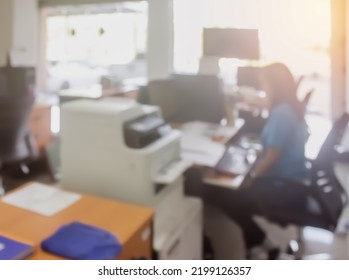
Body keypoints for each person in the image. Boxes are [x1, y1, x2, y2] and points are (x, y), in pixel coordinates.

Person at [203, 63, 309, 259]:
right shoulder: (289, 107)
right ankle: (258, 243)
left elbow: (271, 157)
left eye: (265, 84)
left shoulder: (282, 114)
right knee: (230, 189)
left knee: (222, 193)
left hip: (283, 188)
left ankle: (260, 242)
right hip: (293, 182)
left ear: (275, 86)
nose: (263, 89)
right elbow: (271, 148)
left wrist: (250, 177)